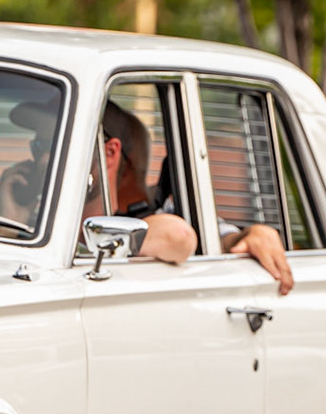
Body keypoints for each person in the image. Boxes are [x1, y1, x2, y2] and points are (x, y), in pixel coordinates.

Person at [75, 101, 295, 294]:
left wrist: (255, 234)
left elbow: (187, 236)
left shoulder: (169, 213)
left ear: (110, 153)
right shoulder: (53, 217)